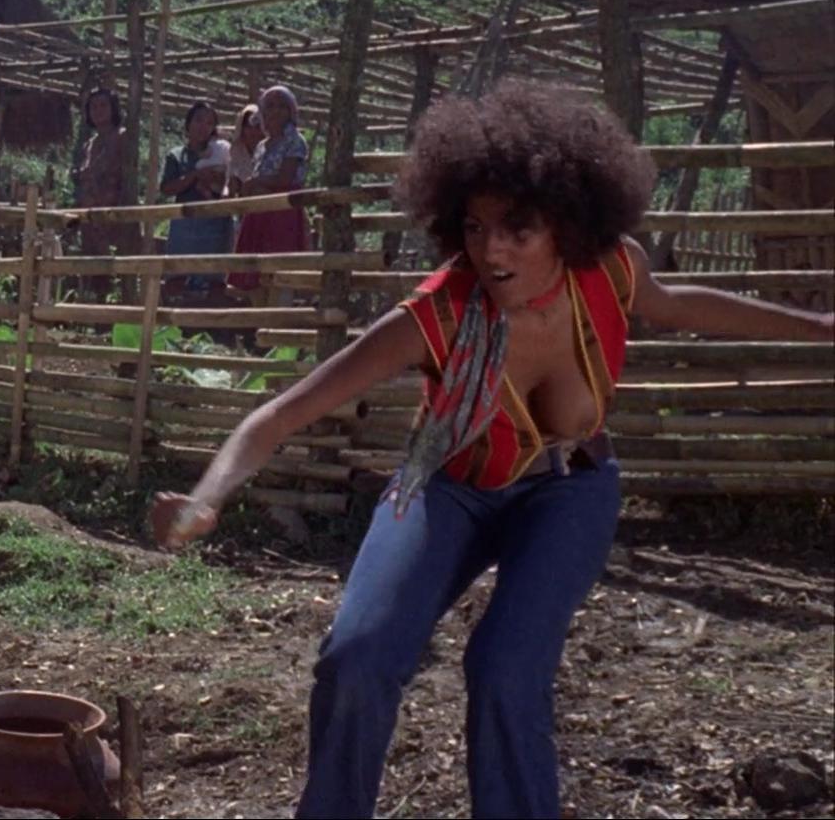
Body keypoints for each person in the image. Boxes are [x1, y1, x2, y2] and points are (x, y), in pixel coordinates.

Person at [150, 84, 835, 819]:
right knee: (357, 658)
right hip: (446, 486)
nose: (492, 249)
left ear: (566, 223)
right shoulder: (436, 313)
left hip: (569, 490)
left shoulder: (609, 269)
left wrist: (820, 329)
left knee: (507, 668)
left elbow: (679, 303)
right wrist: (205, 499)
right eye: (475, 228)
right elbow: (278, 416)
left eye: (518, 229)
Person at [227, 85, 311, 297]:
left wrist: (255, 183)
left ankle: (279, 315)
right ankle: (258, 316)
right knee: (256, 279)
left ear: (291, 112)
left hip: (282, 213)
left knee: (280, 274)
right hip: (259, 214)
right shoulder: (262, 146)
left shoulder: (295, 141)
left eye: (282, 106)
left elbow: (286, 178)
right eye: (270, 106)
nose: (276, 111)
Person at [157, 100, 234, 303]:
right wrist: (194, 176)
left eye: (209, 123)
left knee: (215, 275)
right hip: (185, 223)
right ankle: (172, 315)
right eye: (199, 120)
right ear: (188, 124)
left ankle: (214, 318)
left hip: (215, 222)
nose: (203, 126)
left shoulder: (223, 152)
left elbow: (232, 181)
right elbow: (167, 188)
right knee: (177, 274)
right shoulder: (176, 155)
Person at [71, 86, 129, 299]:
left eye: (103, 105)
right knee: (92, 269)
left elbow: (124, 176)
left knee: (114, 266)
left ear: (113, 108)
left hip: (113, 215)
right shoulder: (89, 144)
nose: (98, 110)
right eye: (93, 107)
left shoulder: (122, 137)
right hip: (90, 217)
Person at [225, 103, 264, 199]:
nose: (252, 131)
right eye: (248, 126)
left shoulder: (268, 149)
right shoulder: (236, 150)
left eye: (257, 127)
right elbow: (231, 178)